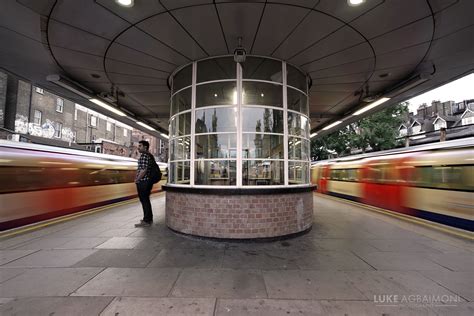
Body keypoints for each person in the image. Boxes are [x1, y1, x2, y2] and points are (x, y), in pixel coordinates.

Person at [134, 140, 154, 227]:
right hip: (145, 181)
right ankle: (148, 219)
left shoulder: (144, 156)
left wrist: (137, 179)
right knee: (145, 200)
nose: (138, 147)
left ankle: (147, 220)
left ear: (145, 147)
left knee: (144, 201)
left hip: (144, 182)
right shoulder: (147, 155)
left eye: (140, 146)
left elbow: (144, 170)